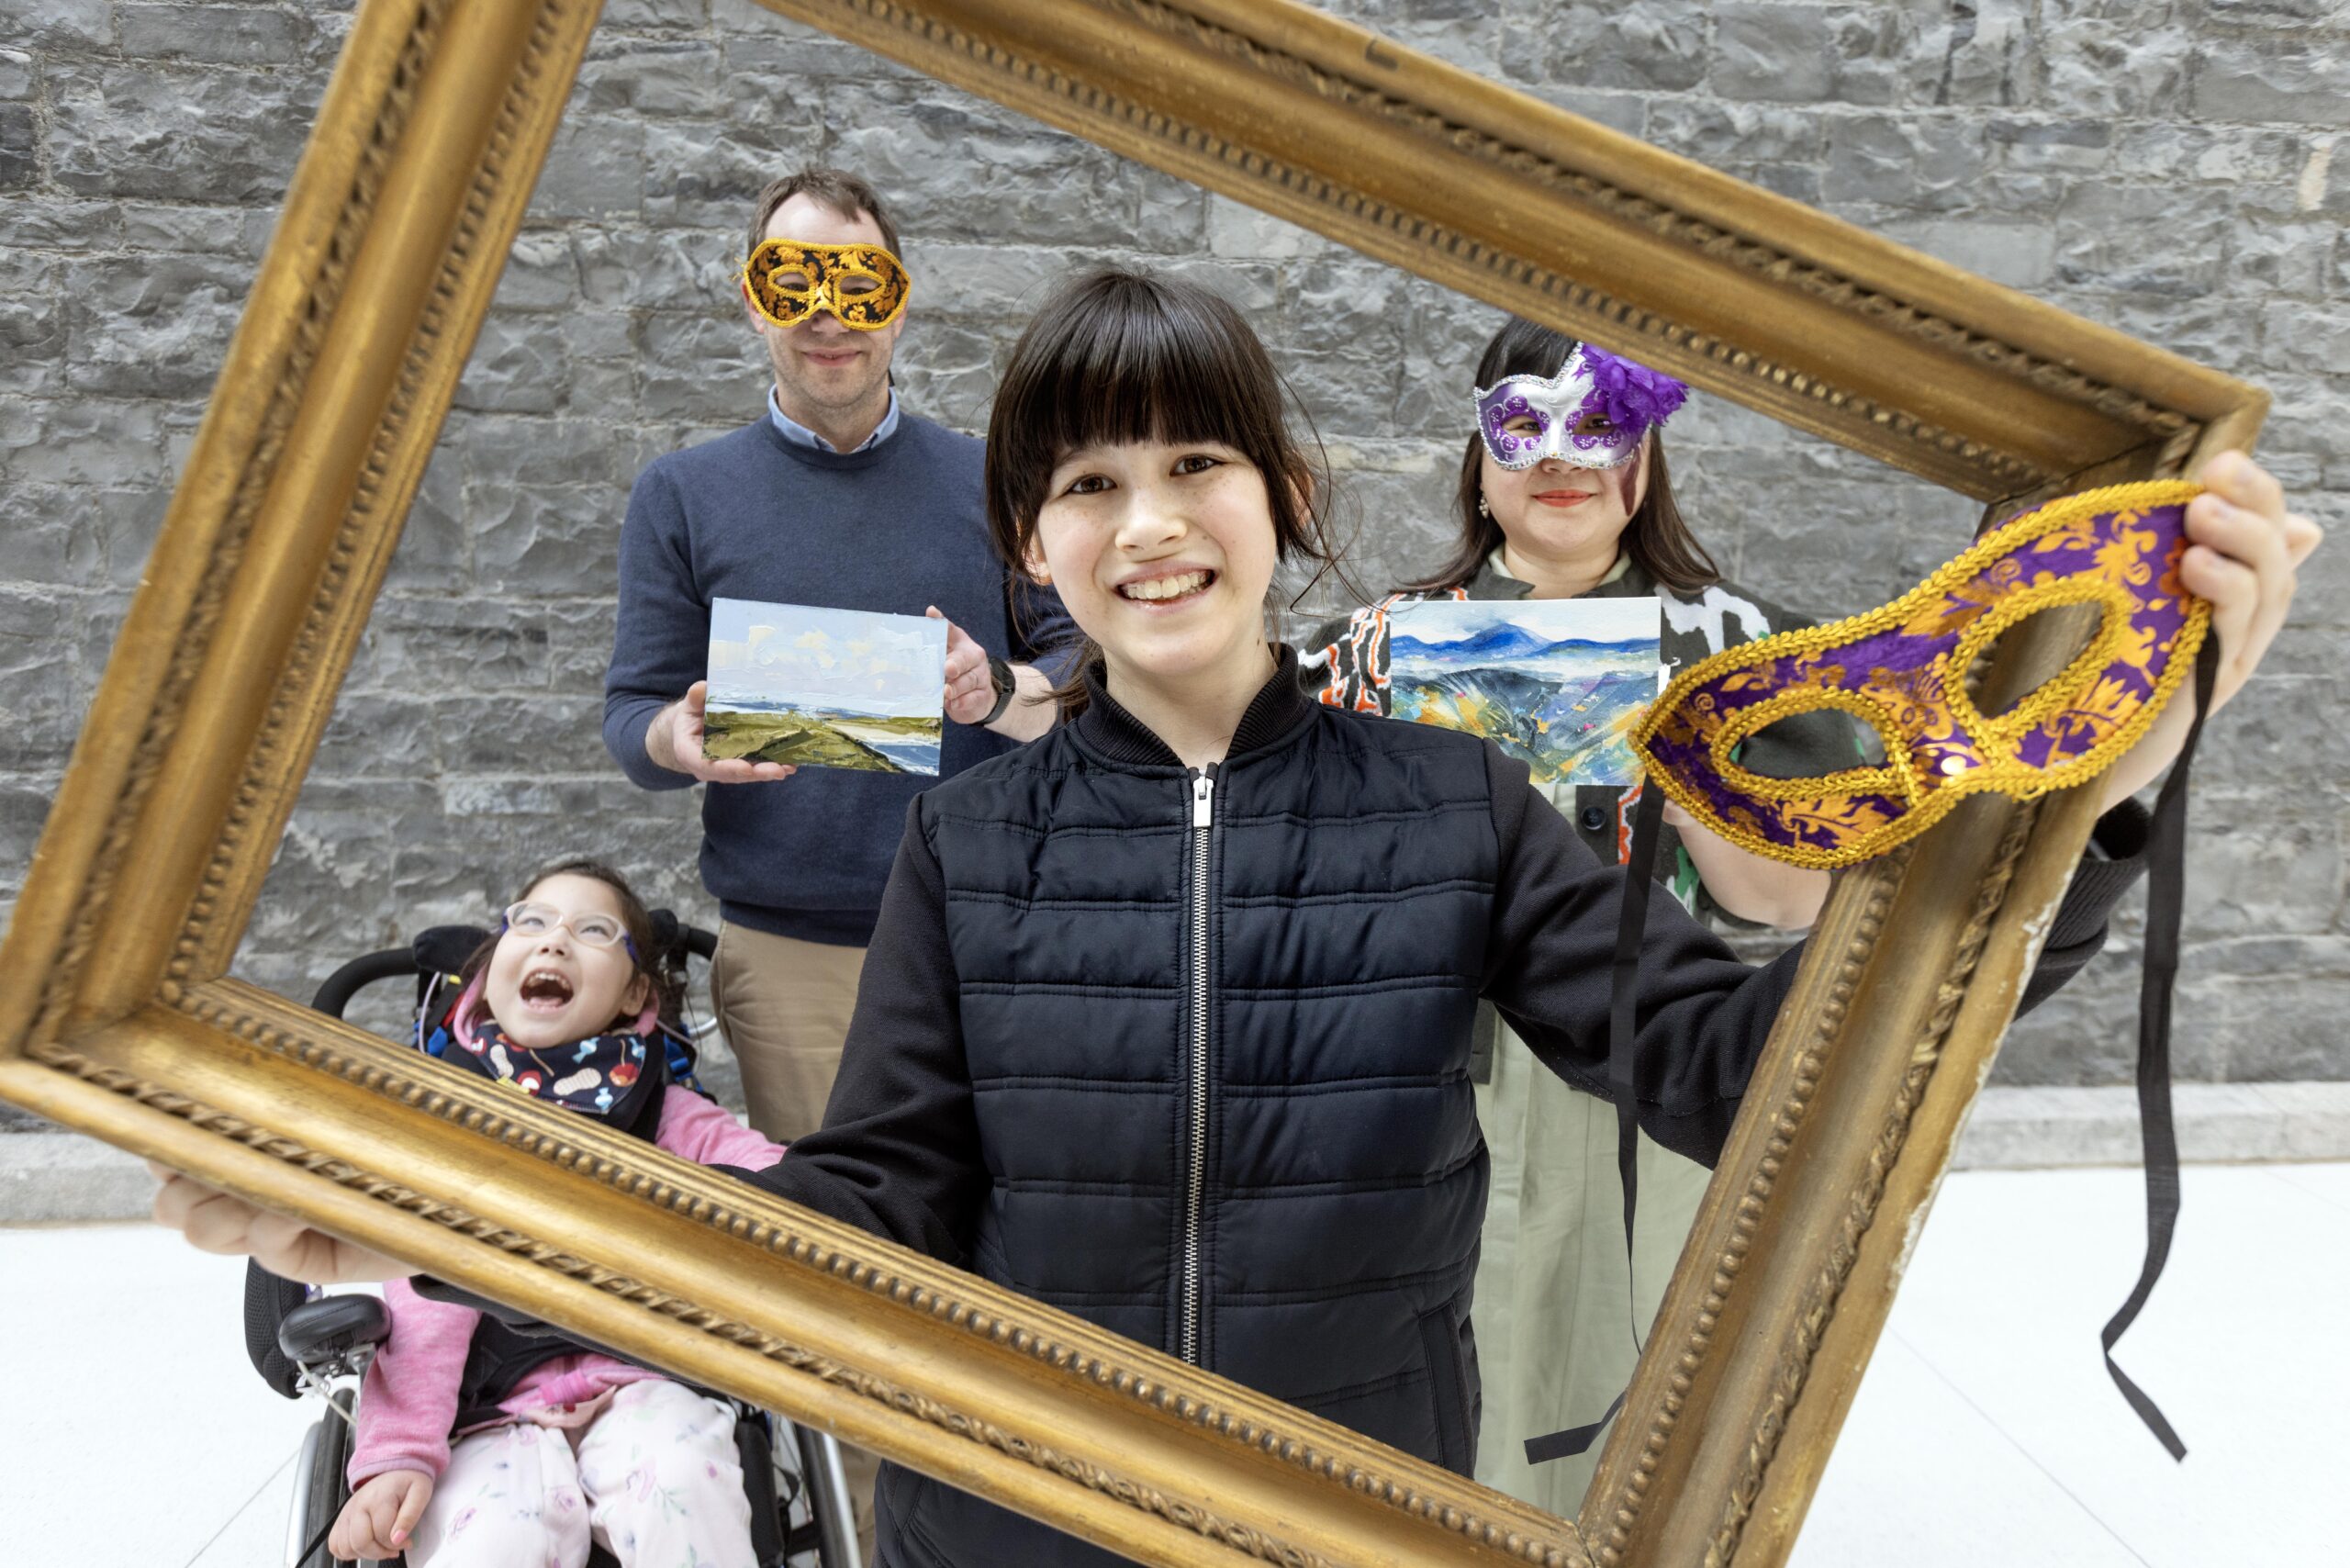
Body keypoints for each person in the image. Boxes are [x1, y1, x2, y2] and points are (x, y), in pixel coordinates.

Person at [162, 273, 2320, 1568]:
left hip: (1349, 1508)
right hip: (997, 1530)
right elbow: (867, 1211)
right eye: (1084, 482)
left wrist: (2105, 786)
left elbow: (1747, 1068)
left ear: (1280, 502)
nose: (1144, 520)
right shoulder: (970, 841)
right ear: (1032, 542)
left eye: (1192, 461)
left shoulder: (1454, 804)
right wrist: (451, 1217)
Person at [1297, 318, 1868, 1506]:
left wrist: (1676, 749)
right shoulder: (1385, 643)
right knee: (1450, 1378)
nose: (1562, 459)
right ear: (1481, 452)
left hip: (1647, 1063)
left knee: (1642, 1388)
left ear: (1644, 459)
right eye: (1525, 425)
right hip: (1436, 1075)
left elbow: (1783, 898)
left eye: (1600, 426)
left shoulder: (1735, 646)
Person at [602, 166, 1077, 1147]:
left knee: (1005, 1221)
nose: (829, 317)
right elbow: (630, 719)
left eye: (861, 285)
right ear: (752, 301)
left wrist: (998, 689)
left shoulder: (999, 481)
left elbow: (1084, 675)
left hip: (988, 926)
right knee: (838, 1240)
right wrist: (675, 735)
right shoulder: (681, 494)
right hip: (791, 953)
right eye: (793, 284)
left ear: (899, 307)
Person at [324, 862, 787, 1568]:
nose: (554, 942)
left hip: (646, 1379)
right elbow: (423, 1307)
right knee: (492, 1540)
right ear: (489, 971)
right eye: (530, 922)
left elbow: (779, 1190)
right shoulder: (446, 1113)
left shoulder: (666, 1113)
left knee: (683, 1483)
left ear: (636, 993)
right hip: (489, 1408)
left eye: (593, 930)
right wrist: (398, 1457)